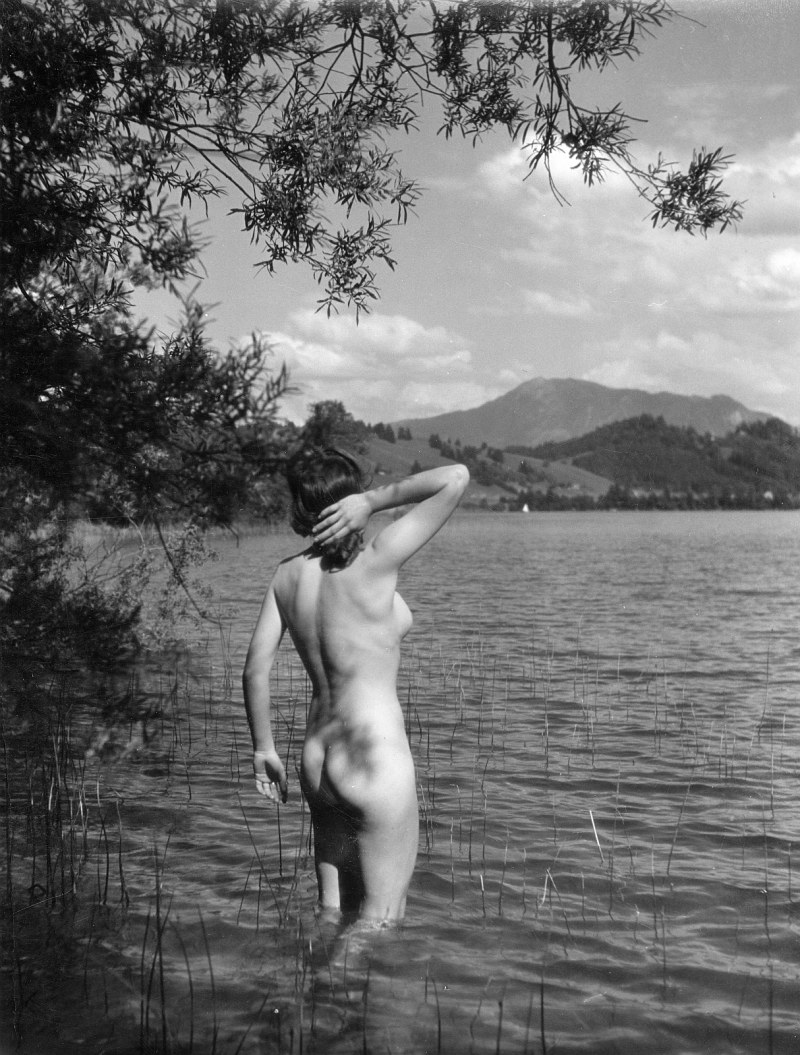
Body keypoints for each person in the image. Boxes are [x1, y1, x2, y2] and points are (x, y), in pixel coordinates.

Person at [242, 449, 469, 924]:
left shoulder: (285, 575)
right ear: (350, 504)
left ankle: (310, 993)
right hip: (372, 760)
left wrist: (263, 748)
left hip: (317, 762)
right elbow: (455, 477)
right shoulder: (376, 561)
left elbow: (255, 670)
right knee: (379, 922)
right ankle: (336, 991)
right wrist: (372, 500)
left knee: (331, 913)